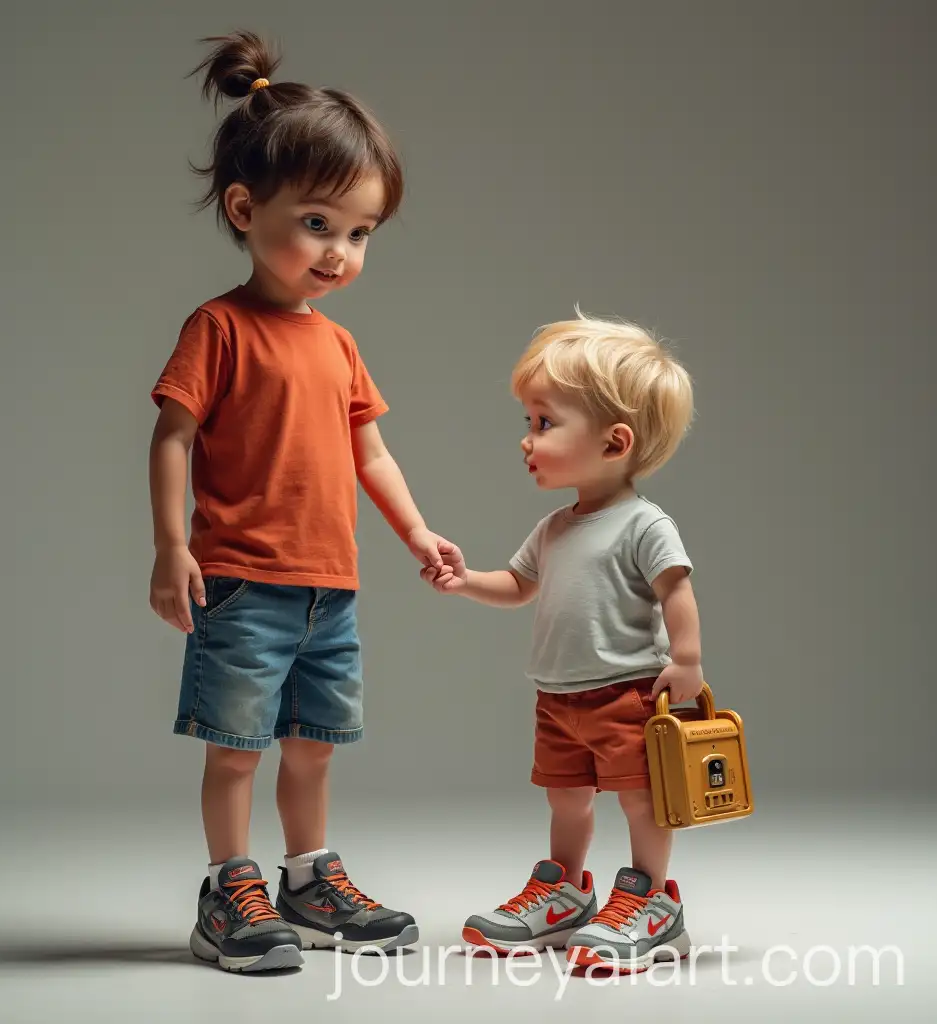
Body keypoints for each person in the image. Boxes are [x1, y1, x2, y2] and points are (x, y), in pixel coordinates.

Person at [148, 30, 462, 974]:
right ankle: (228, 888)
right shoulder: (219, 328)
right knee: (237, 747)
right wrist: (172, 549)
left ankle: (308, 878)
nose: (340, 252)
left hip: (332, 587)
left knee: (314, 744)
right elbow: (172, 437)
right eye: (319, 224)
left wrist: (415, 530)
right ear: (247, 209)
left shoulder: (338, 344)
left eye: (360, 233)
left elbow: (371, 449)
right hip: (242, 583)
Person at [422, 312, 701, 973]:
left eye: (544, 424)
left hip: (628, 692)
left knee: (641, 796)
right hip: (558, 696)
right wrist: (466, 582)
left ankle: (653, 900)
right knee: (566, 797)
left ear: (614, 442)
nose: (527, 440)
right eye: (529, 423)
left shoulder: (643, 524)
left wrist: (686, 659)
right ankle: (565, 893)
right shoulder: (553, 528)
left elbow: (677, 591)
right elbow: (517, 586)